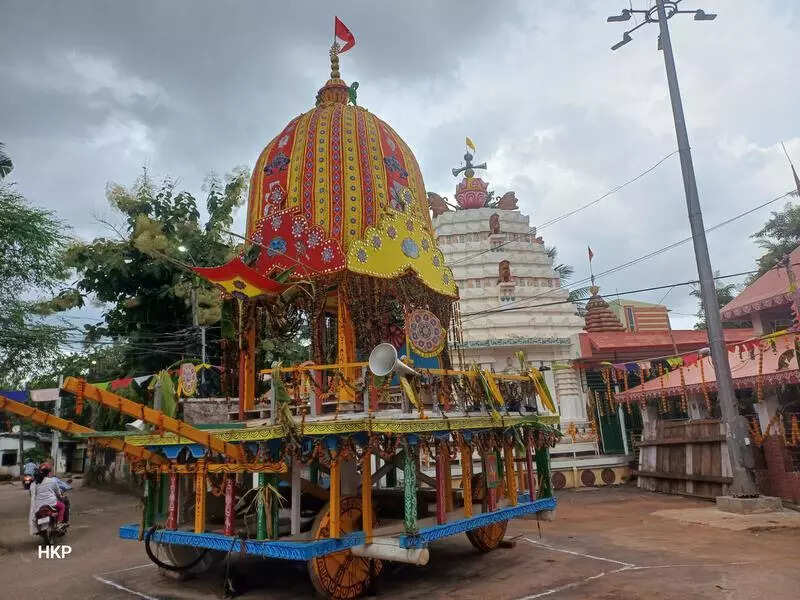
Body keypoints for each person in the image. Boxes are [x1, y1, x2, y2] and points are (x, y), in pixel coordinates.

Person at [30, 464, 67, 531]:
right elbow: (58, 493)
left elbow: (32, 495)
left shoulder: (35, 483)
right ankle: (59, 523)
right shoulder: (52, 481)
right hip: (51, 503)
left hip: (38, 505)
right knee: (62, 506)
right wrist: (61, 497)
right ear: (48, 473)